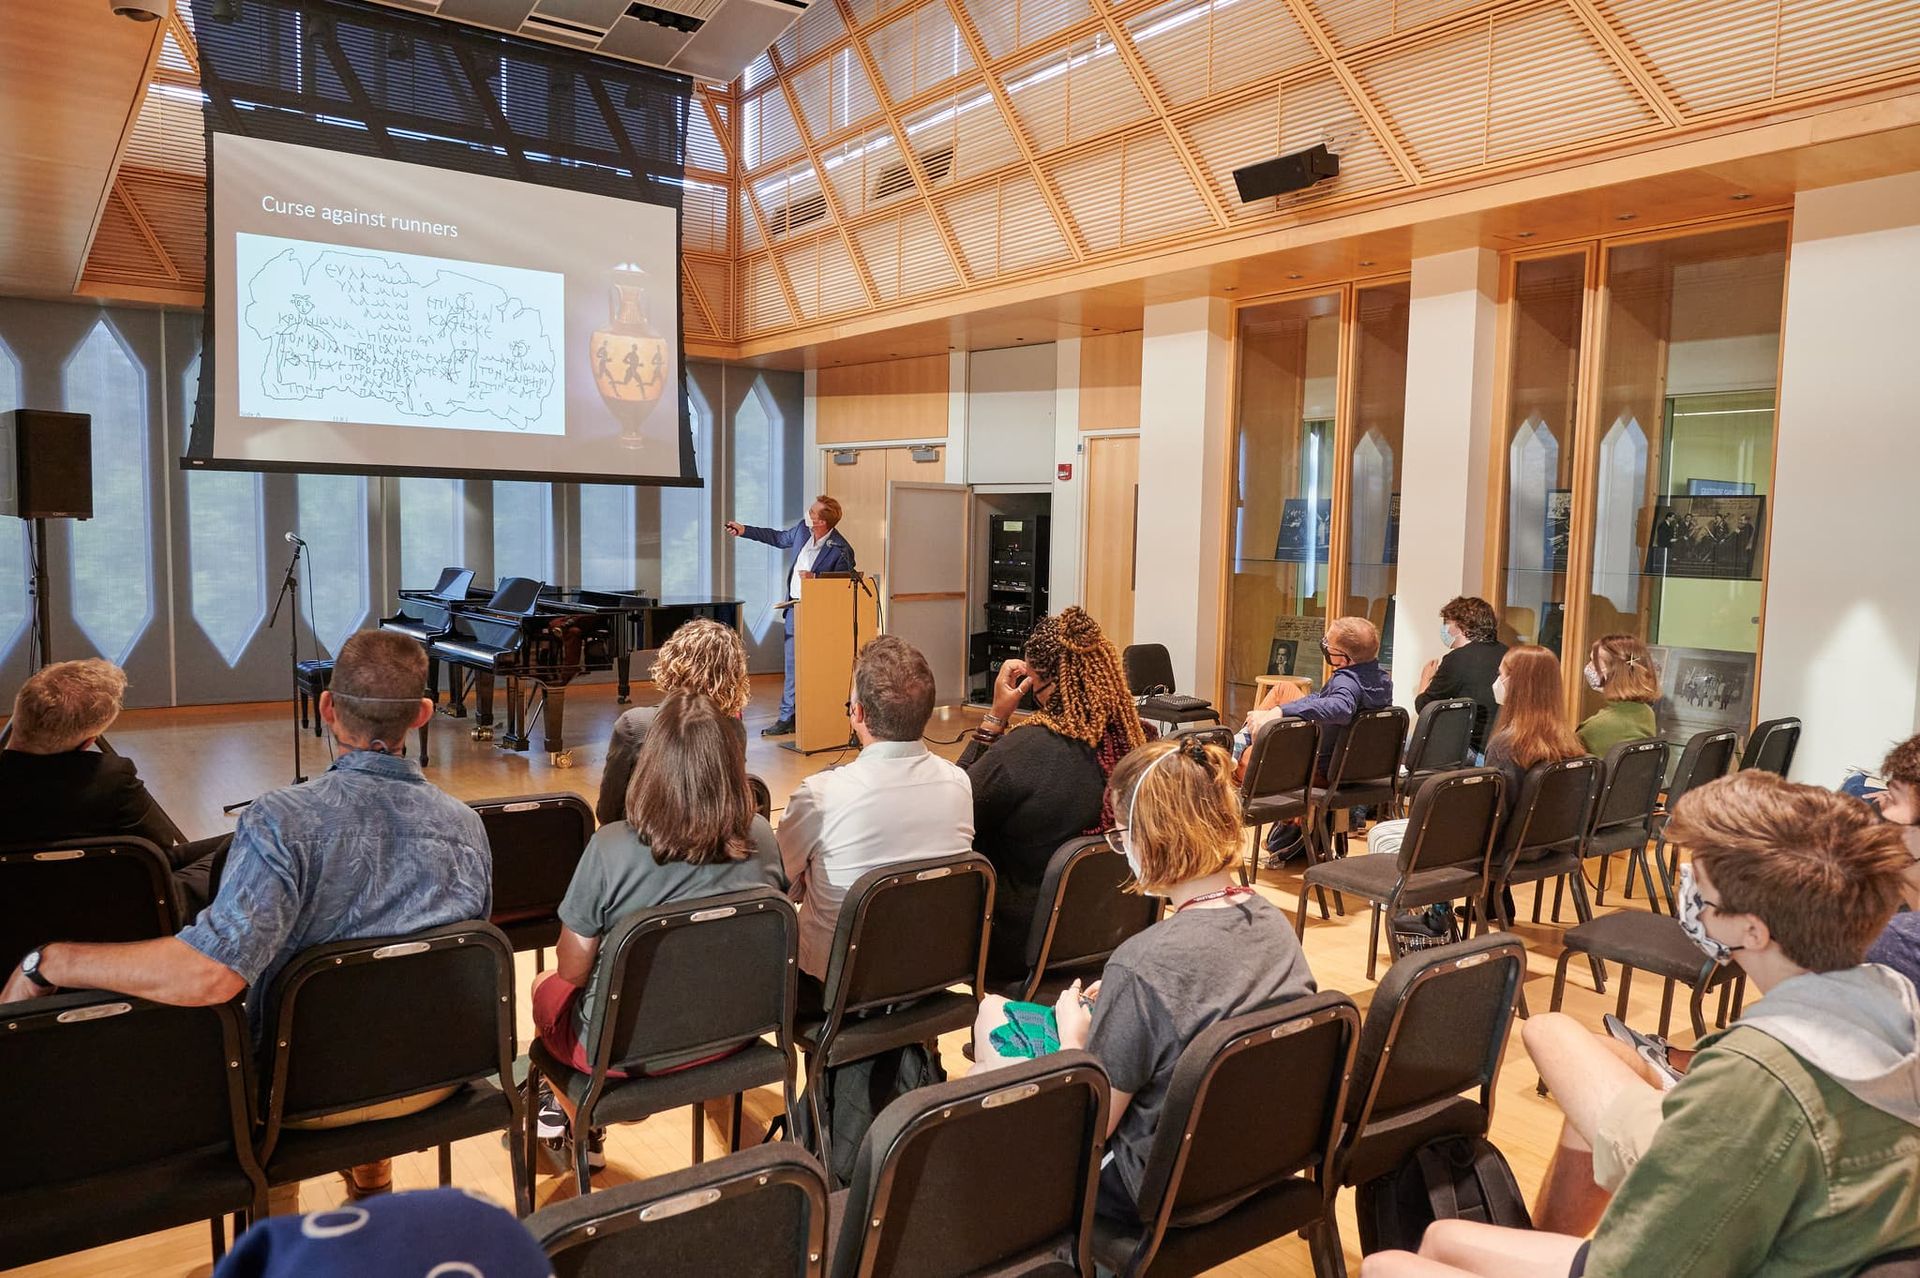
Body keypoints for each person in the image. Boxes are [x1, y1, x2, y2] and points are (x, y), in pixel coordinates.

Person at [0, 630, 492, 1210]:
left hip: (297, 1099)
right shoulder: (468, 825)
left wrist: (51, 960)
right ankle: (372, 1173)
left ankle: (274, 1220)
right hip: (440, 1077)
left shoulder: (282, 820)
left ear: (327, 708)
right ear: (424, 715)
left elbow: (210, 976)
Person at [1362, 772, 1920, 1278]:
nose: (1689, 898)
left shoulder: (1757, 1077)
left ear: (1752, 931)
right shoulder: (1894, 1002)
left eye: (1701, 889)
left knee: (1388, 1266)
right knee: (1440, 1232)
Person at [1040, 737, 1315, 1222]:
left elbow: (1088, 1127)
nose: (1119, 847)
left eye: (1121, 834)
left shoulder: (1141, 964)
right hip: (1259, 1161)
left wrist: (1073, 1041)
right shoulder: (1274, 924)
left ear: (1152, 836)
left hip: (1156, 1188)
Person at [531, 690, 786, 1169]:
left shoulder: (610, 848)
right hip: (738, 1033)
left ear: (651, 766)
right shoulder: (763, 839)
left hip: (623, 1054)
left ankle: (579, 1123)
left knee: (544, 984)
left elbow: (571, 967)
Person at [959, 606, 1148, 980]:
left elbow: (951, 805)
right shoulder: (1136, 744)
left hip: (1023, 947)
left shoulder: (1024, 751)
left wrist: (995, 717)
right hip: (1115, 937)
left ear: (1045, 688)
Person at [778, 636, 973, 983]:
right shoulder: (958, 784)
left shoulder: (820, 796)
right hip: (931, 976)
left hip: (832, 989)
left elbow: (781, 882)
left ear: (858, 713)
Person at [1371, 645, 1583, 928]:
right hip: (1546, 847)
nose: (1496, 682)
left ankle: (1429, 920)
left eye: (1501, 675)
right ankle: (1494, 904)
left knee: (1383, 834)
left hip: (1502, 850)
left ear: (1518, 685)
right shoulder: (1569, 743)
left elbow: (1496, 813)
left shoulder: (1509, 744)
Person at [0, 658, 226, 915]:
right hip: (123, 913)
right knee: (247, 844)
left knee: (247, 832)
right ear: (88, 742)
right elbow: (160, 849)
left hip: (13, 913)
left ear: (19, 714)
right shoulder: (111, 778)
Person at [1236, 616, 1393, 865]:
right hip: (1353, 762)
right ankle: (1249, 731)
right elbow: (1322, 697)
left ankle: (1241, 746)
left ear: (1342, 657)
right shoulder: (1381, 679)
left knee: (1246, 760)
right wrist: (1281, 710)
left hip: (1324, 767)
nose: (1324, 646)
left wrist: (1280, 713)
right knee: (1282, 690)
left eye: (1327, 644)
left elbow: (1340, 707)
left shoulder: (1346, 682)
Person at [596, 617, 751, 825]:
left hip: (645, 844)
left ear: (673, 663)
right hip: (712, 846)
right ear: (734, 674)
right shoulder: (734, 729)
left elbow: (608, 813)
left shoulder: (633, 725)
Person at [725, 495, 856, 737]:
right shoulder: (801, 532)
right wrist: (745, 530)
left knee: (819, 667)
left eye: (813, 512)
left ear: (822, 522)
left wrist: (815, 580)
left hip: (821, 616)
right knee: (792, 665)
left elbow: (845, 583)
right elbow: (777, 537)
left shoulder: (841, 548)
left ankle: (818, 714)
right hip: (796, 608)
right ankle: (787, 718)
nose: (808, 514)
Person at [1413, 596, 1507, 759]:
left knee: (1406, 744)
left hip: (1475, 750)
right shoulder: (1508, 653)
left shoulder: (1458, 658)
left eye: (1447, 623)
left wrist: (1424, 681)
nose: (1445, 629)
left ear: (1460, 626)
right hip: (1501, 748)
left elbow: (1426, 708)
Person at [1575, 633, 1661, 756]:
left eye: (1594, 662)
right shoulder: (1647, 713)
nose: (1589, 667)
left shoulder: (1593, 728)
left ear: (1615, 672)